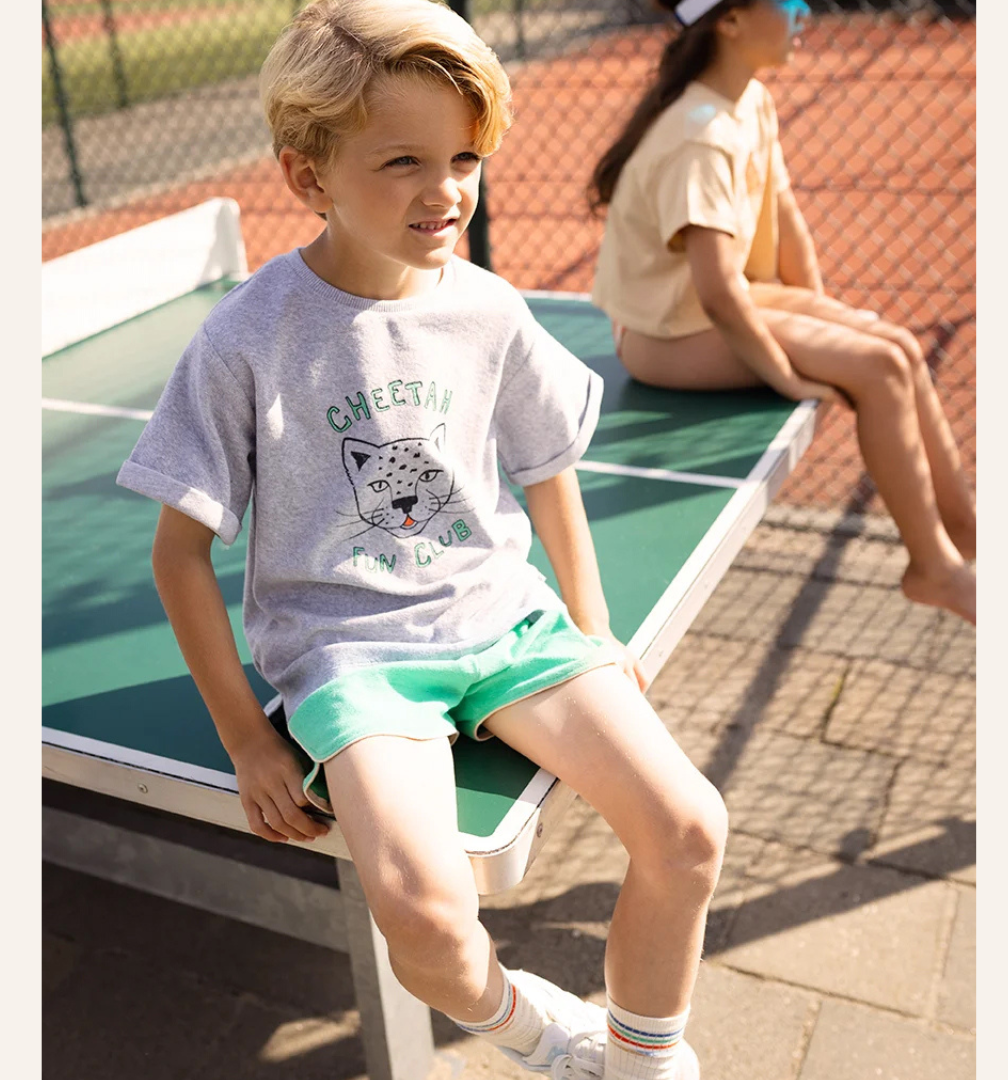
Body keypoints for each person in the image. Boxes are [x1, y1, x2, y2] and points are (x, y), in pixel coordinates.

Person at [116, 2, 725, 1077]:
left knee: (690, 829)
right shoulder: (245, 338)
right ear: (308, 177)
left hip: (505, 621)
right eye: (403, 160)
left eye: (463, 158)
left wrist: (592, 627)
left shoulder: (487, 309)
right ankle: (540, 1037)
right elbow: (179, 556)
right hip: (352, 655)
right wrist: (248, 741)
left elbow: (548, 469)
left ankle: (641, 1058)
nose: (445, 189)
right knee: (424, 917)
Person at [589, 0, 976, 625]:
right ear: (730, 21)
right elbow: (717, 291)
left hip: (716, 306)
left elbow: (786, 218)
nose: (804, 12)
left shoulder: (752, 102)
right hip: (662, 335)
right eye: (787, 2)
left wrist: (823, 313)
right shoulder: (700, 136)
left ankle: (966, 530)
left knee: (898, 346)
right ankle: (933, 568)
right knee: (878, 366)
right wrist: (787, 374)